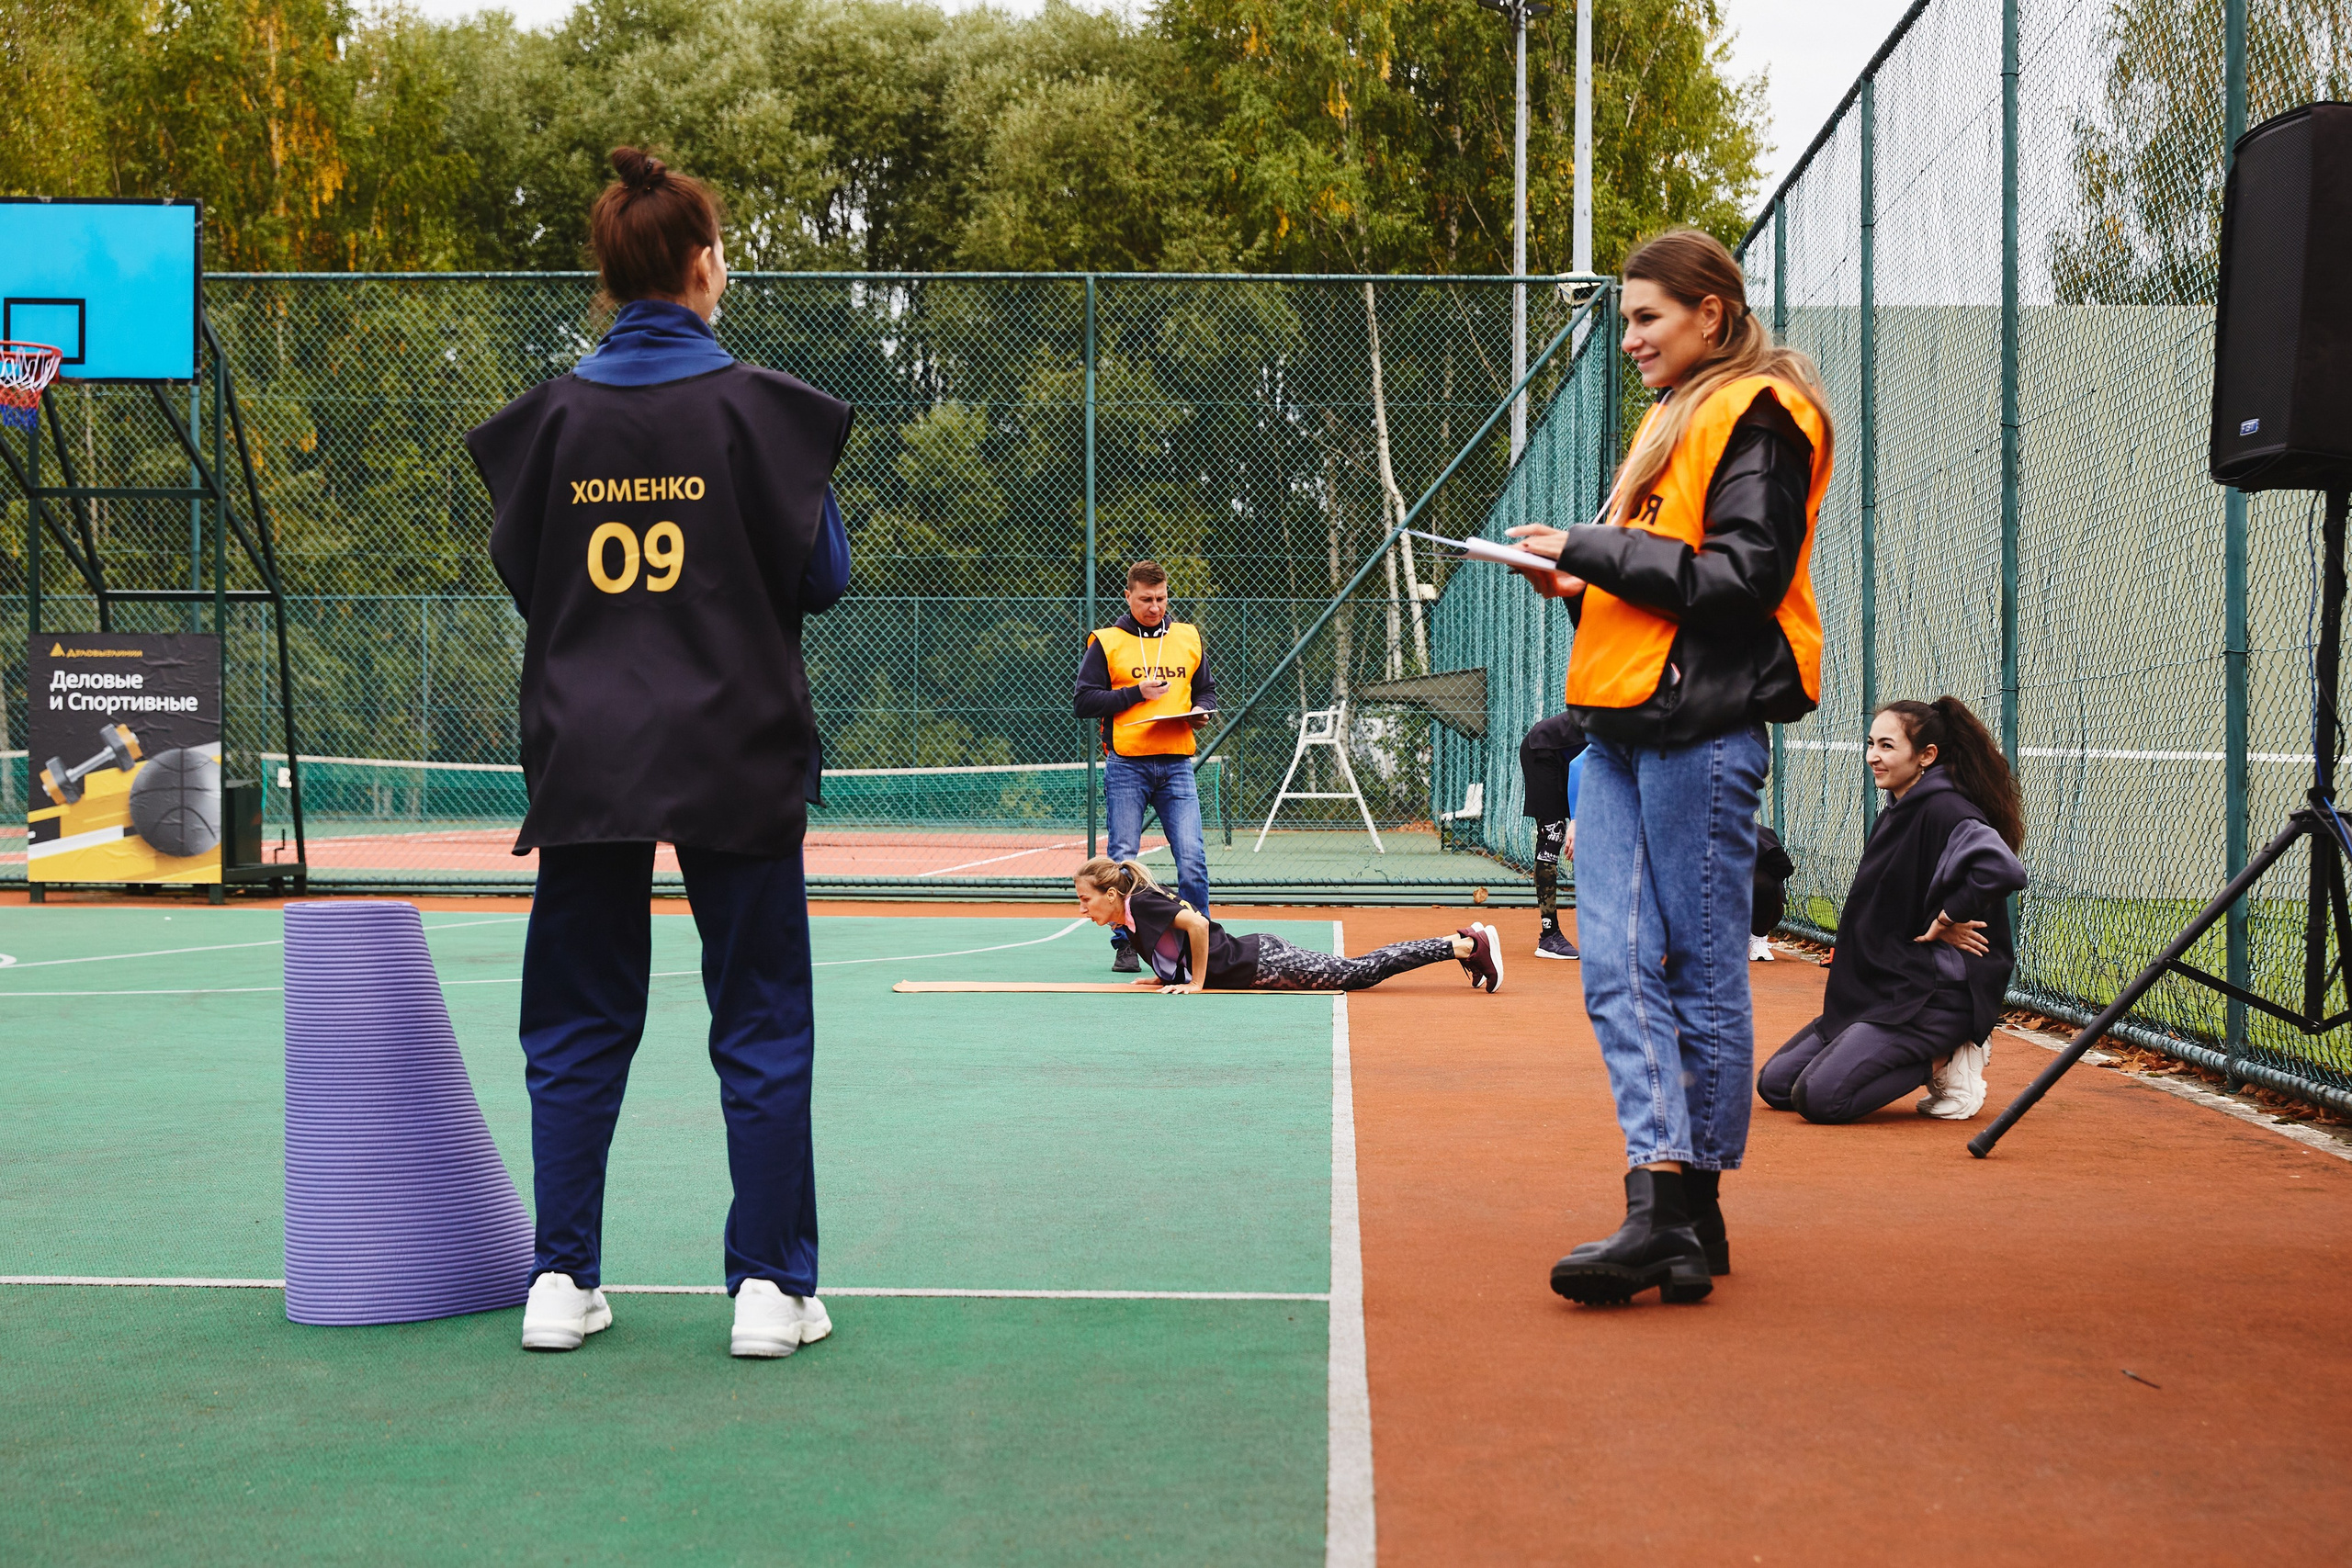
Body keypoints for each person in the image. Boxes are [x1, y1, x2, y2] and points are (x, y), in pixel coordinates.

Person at [465, 147, 853, 1359]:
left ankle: (560, 1275)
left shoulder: (550, 422)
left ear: (608, 277)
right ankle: (766, 1288)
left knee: (577, 1021)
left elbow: (529, 575)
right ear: (699, 266)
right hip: (736, 742)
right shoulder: (760, 410)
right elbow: (826, 578)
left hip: (589, 750)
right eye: (719, 250)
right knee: (760, 1018)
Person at [1502, 228, 1836, 1304]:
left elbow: (1739, 578)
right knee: (1614, 969)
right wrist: (1576, 580)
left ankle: (1685, 1209)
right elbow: (1661, 577)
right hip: (1615, 730)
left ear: (1712, 313)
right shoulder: (1669, 420)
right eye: (1629, 318)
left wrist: (1586, 550)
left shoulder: (1763, 412)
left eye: (1648, 318)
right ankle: (1670, 1208)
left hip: (1698, 730)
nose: (1632, 338)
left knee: (1695, 969)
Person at [1758, 696, 2027, 1124]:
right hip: (1880, 986)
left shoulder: (1946, 808)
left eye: (1886, 746)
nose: (1873, 757)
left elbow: (2001, 867)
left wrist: (1947, 917)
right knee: (1776, 1086)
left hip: (1928, 996)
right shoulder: (1899, 811)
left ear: (1926, 756)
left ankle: (1947, 1054)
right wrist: (1930, 916)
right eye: (1871, 744)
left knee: (1820, 1099)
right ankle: (1890, 1045)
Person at [1074, 561, 1216, 973]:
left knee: (1191, 857)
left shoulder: (1188, 636)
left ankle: (1201, 939)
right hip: (1127, 766)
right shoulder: (1107, 641)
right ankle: (1127, 942)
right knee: (1122, 859)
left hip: (1177, 763)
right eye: (1146, 600)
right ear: (1129, 597)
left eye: (1161, 598)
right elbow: (1084, 701)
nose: (1155, 607)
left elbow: (1204, 690)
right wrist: (1136, 693)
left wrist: (1201, 710)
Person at [1072, 856, 1504, 992]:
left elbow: (1199, 926)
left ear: (1110, 895)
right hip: (1259, 957)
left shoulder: (1142, 903)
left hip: (1262, 961)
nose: (1081, 909)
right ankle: (1461, 943)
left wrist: (1196, 982)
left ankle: (1464, 944)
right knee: (1355, 972)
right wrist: (1167, 975)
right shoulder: (1131, 916)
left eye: (1084, 899)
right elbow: (1174, 943)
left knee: (1357, 974)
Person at [1519, 713, 1588, 959]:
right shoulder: (1626, 716)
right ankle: (1549, 936)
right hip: (1542, 751)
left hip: (1567, 759)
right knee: (1553, 832)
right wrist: (1577, 819)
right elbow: (1580, 765)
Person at [1751, 822, 1794, 962]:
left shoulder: (1757, 836)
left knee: (1762, 883)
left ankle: (1757, 938)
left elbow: (1785, 867)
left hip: (1759, 904)